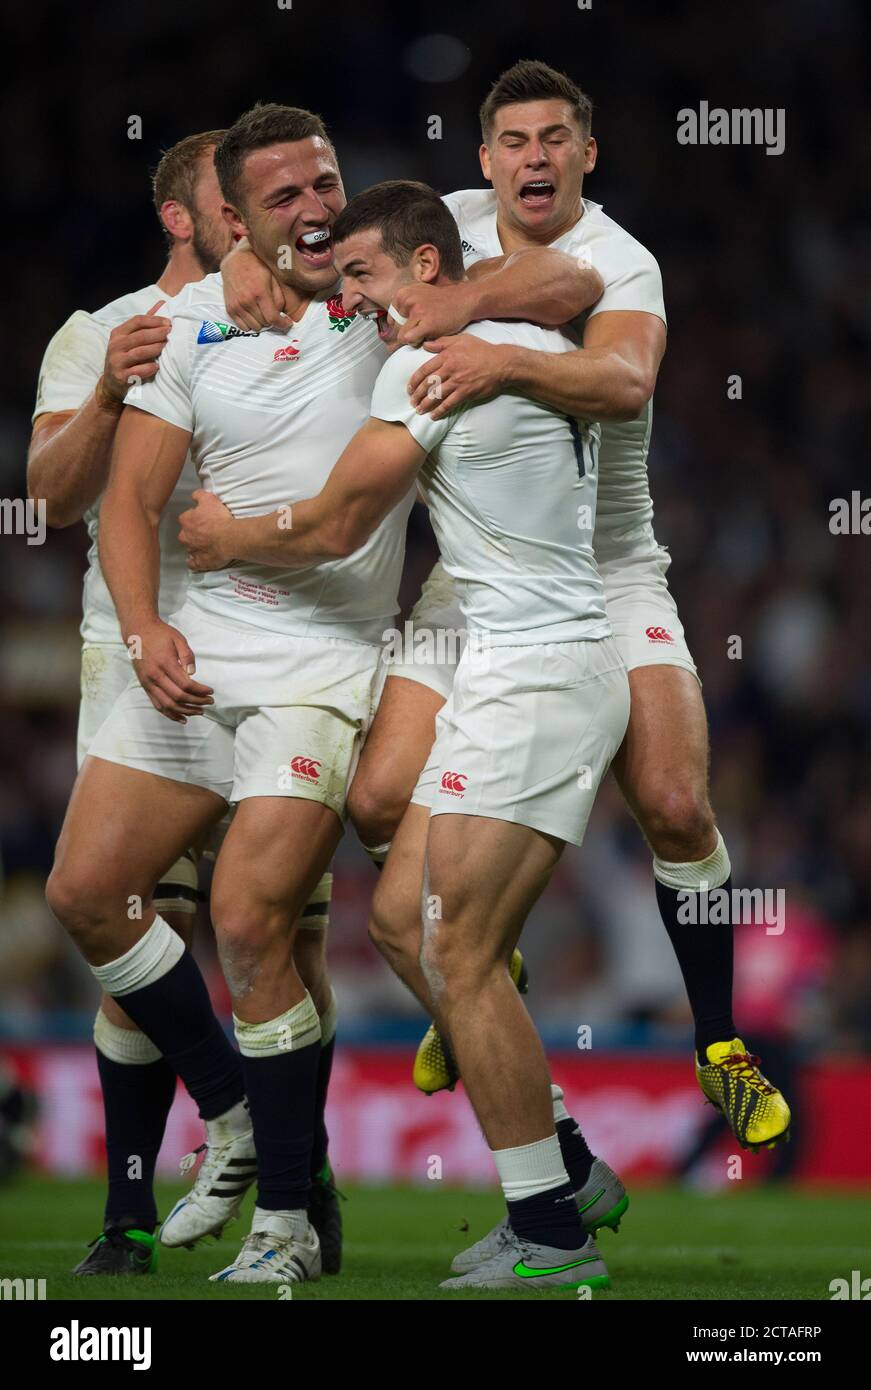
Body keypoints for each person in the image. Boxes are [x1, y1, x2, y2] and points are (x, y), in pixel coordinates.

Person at [221, 62, 791, 1181]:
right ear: (483, 160)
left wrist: (472, 319)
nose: (533, 157)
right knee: (379, 800)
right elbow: (334, 228)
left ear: (588, 153)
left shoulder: (623, 262)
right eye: (513, 141)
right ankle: (486, 983)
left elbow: (623, 376)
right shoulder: (451, 221)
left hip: (607, 570)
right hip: (471, 579)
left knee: (675, 801)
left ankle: (719, 1040)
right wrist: (250, 253)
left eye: (555, 139)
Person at [179, 178, 631, 1292]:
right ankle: (560, 1166)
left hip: (539, 673)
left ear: (428, 268)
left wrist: (230, 533)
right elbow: (572, 286)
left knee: (457, 949)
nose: (359, 303)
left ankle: (553, 1231)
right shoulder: (519, 329)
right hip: (501, 665)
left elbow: (338, 522)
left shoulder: (424, 361)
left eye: (370, 278)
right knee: (399, 920)